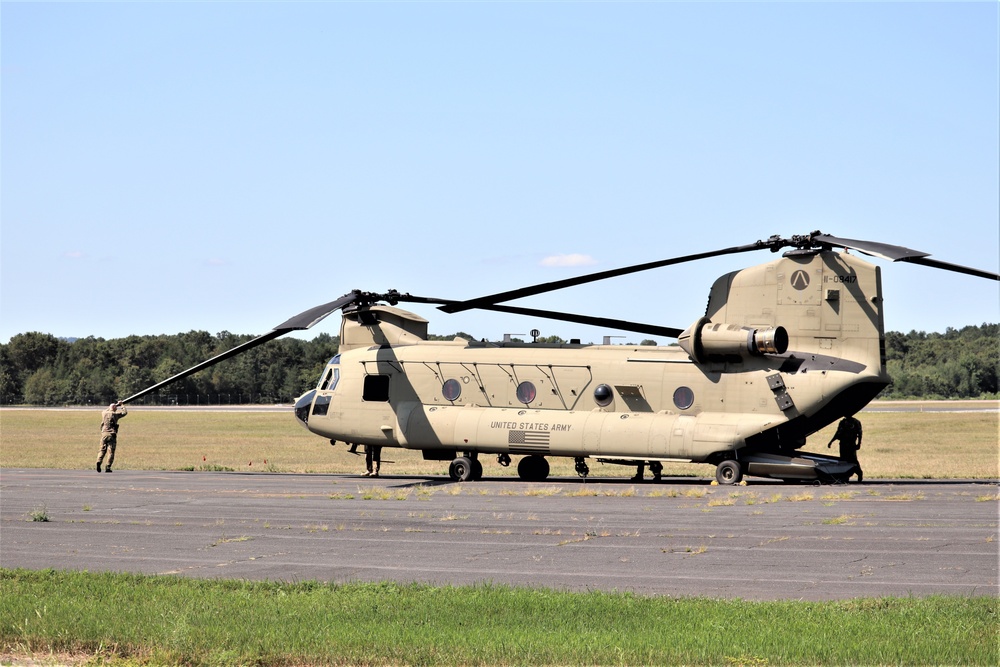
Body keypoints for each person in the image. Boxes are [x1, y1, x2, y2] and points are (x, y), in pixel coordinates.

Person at [828, 415, 863, 482]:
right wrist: (831, 441)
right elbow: (838, 433)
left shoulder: (856, 422)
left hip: (851, 445)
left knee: (853, 460)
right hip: (843, 444)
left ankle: (859, 473)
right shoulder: (842, 422)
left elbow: (859, 433)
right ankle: (845, 476)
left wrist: (859, 443)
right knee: (844, 461)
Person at [97, 401, 128, 473]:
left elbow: (107, 409)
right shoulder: (115, 414)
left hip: (104, 434)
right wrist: (121, 404)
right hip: (112, 435)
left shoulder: (103, 413)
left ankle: (98, 461)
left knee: (102, 450)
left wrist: (113, 406)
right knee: (110, 451)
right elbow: (124, 412)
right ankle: (108, 466)